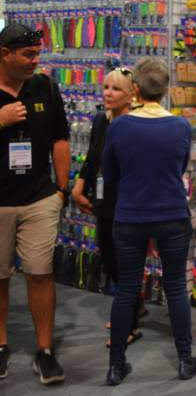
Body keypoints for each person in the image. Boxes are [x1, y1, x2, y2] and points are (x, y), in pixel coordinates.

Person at [102, 57, 196, 385]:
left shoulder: (119, 127)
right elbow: (179, 168)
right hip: (172, 214)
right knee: (176, 288)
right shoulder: (180, 126)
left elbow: (109, 174)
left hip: (130, 215)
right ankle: (185, 359)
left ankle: (116, 366)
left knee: (127, 290)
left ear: (135, 88)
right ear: (167, 88)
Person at [0, 23, 69, 385]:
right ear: (4, 54)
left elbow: (60, 139)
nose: (35, 60)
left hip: (40, 199)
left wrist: (62, 190)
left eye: (37, 53)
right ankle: (1, 345)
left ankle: (45, 351)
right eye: (28, 54)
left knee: (41, 274)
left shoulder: (44, 86)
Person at [70, 68, 144, 347]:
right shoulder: (102, 119)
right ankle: (133, 304)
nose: (108, 93)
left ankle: (129, 323)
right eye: (106, 87)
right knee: (109, 255)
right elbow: (92, 156)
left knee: (125, 261)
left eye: (116, 89)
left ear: (131, 93)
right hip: (104, 198)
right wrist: (79, 187)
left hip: (129, 200)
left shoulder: (137, 123)